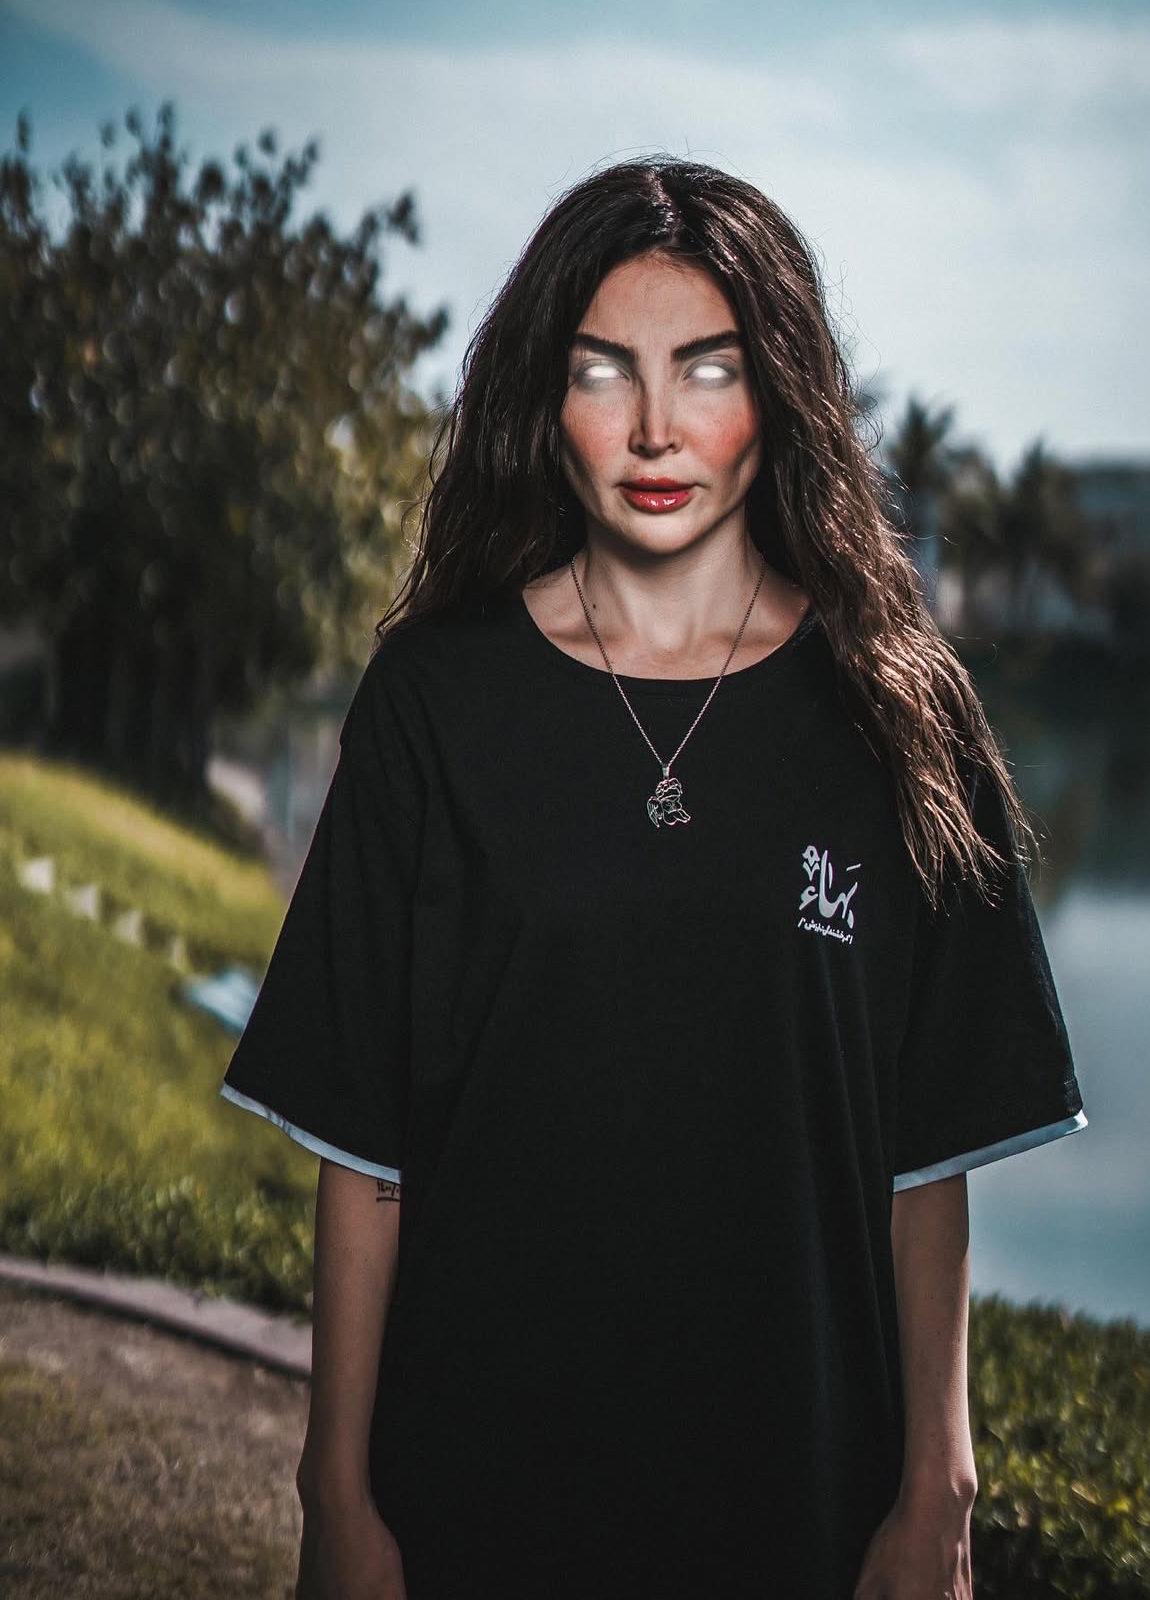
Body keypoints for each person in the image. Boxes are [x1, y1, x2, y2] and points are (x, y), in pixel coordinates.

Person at [219, 155, 1088, 1600]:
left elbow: (922, 1154)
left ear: (781, 394)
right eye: (603, 370)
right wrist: (338, 1491)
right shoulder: (434, 701)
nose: (652, 428)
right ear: (543, 400)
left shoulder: (898, 715)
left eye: (706, 370)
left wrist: (937, 1485)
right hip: (476, 1487)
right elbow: (366, 1151)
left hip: (804, 1495)